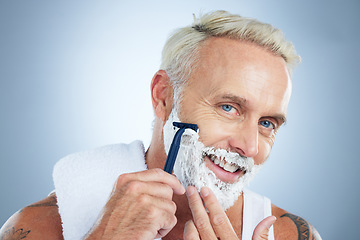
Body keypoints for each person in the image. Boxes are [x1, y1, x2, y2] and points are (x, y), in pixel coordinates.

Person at [0, 10, 321, 240]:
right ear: (163, 96)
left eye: (267, 123)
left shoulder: (290, 234)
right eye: (229, 107)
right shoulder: (40, 226)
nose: (249, 147)